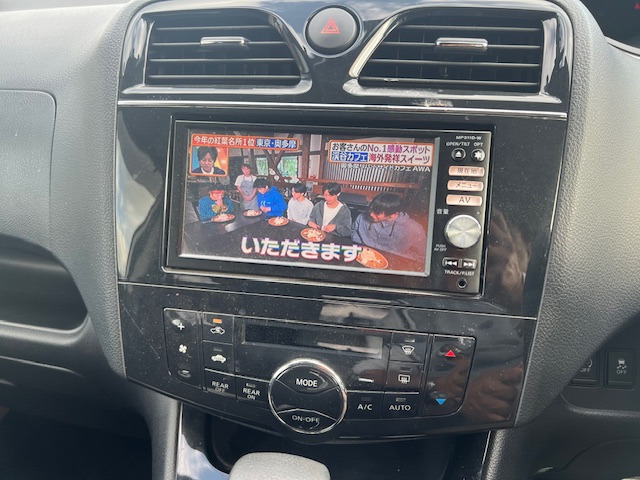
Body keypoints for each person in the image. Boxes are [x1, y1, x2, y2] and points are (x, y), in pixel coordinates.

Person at [352, 192, 426, 262]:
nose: (371, 214)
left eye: (377, 213)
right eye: (371, 210)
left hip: (394, 261)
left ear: (393, 215)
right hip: (364, 255)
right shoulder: (362, 217)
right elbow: (354, 232)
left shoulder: (414, 229)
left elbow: (423, 255)